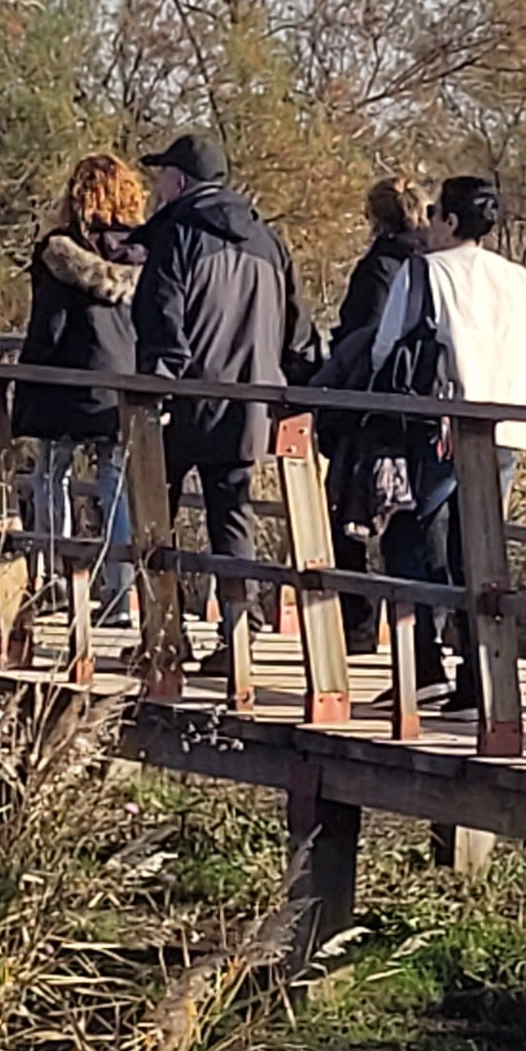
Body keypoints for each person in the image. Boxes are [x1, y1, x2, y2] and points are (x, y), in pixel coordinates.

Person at [366, 176, 526, 709]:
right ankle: (477, 673)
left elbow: (384, 352)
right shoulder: (520, 279)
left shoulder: (425, 273)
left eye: (437, 211)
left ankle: (423, 661)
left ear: (451, 221)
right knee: (479, 550)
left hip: (441, 430)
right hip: (507, 429)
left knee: (411, 538)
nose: (430, 220)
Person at [133, 134, 310, 667]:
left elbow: (162, 318)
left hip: (185, 402)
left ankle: (163, 636)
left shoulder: (179, 234)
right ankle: (237, 639)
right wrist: (287, 389)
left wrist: (155, 388)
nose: (156, 185)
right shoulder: (268, 240)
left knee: (152, 514)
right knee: (232, 517)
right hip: (250, 402)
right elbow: (298, 331)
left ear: (180, 181)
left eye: (161, 174)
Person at [11, 153, 149, 619]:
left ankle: (53, 579)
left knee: (52, 473)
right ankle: (119, 591)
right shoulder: (145, 252)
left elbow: (47, 326)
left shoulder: (60, 251)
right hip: (123, 382)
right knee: (116, 482)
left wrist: (29, 377)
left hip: (66, 380)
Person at [320, 179, 424, 645]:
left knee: (346, 508)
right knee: (410, 514)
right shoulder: (431, 262)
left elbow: (365, 335)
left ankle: (358, 619)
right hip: (416, 405)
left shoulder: (380, 266)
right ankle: (419, 630)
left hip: (367, 405)